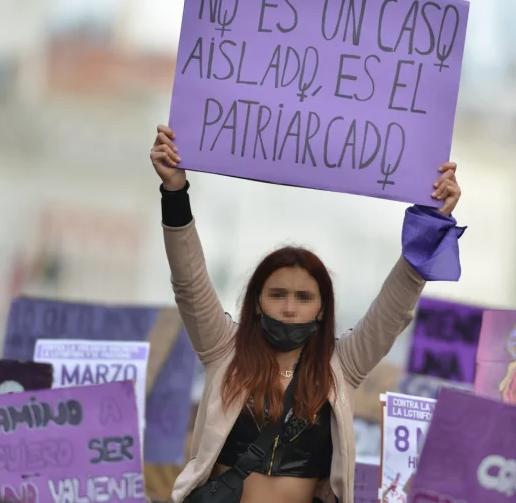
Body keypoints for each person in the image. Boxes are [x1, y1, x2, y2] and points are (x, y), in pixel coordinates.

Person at [150, 124, 465, 503]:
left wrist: (431, 224)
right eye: (277, 294)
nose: (288, 306)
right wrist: (174, 191)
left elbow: (393, 309)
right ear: (256, 303)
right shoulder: (223, 350)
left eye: (303, 297)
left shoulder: (343, 365)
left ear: (321, 309)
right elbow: (189, 281)